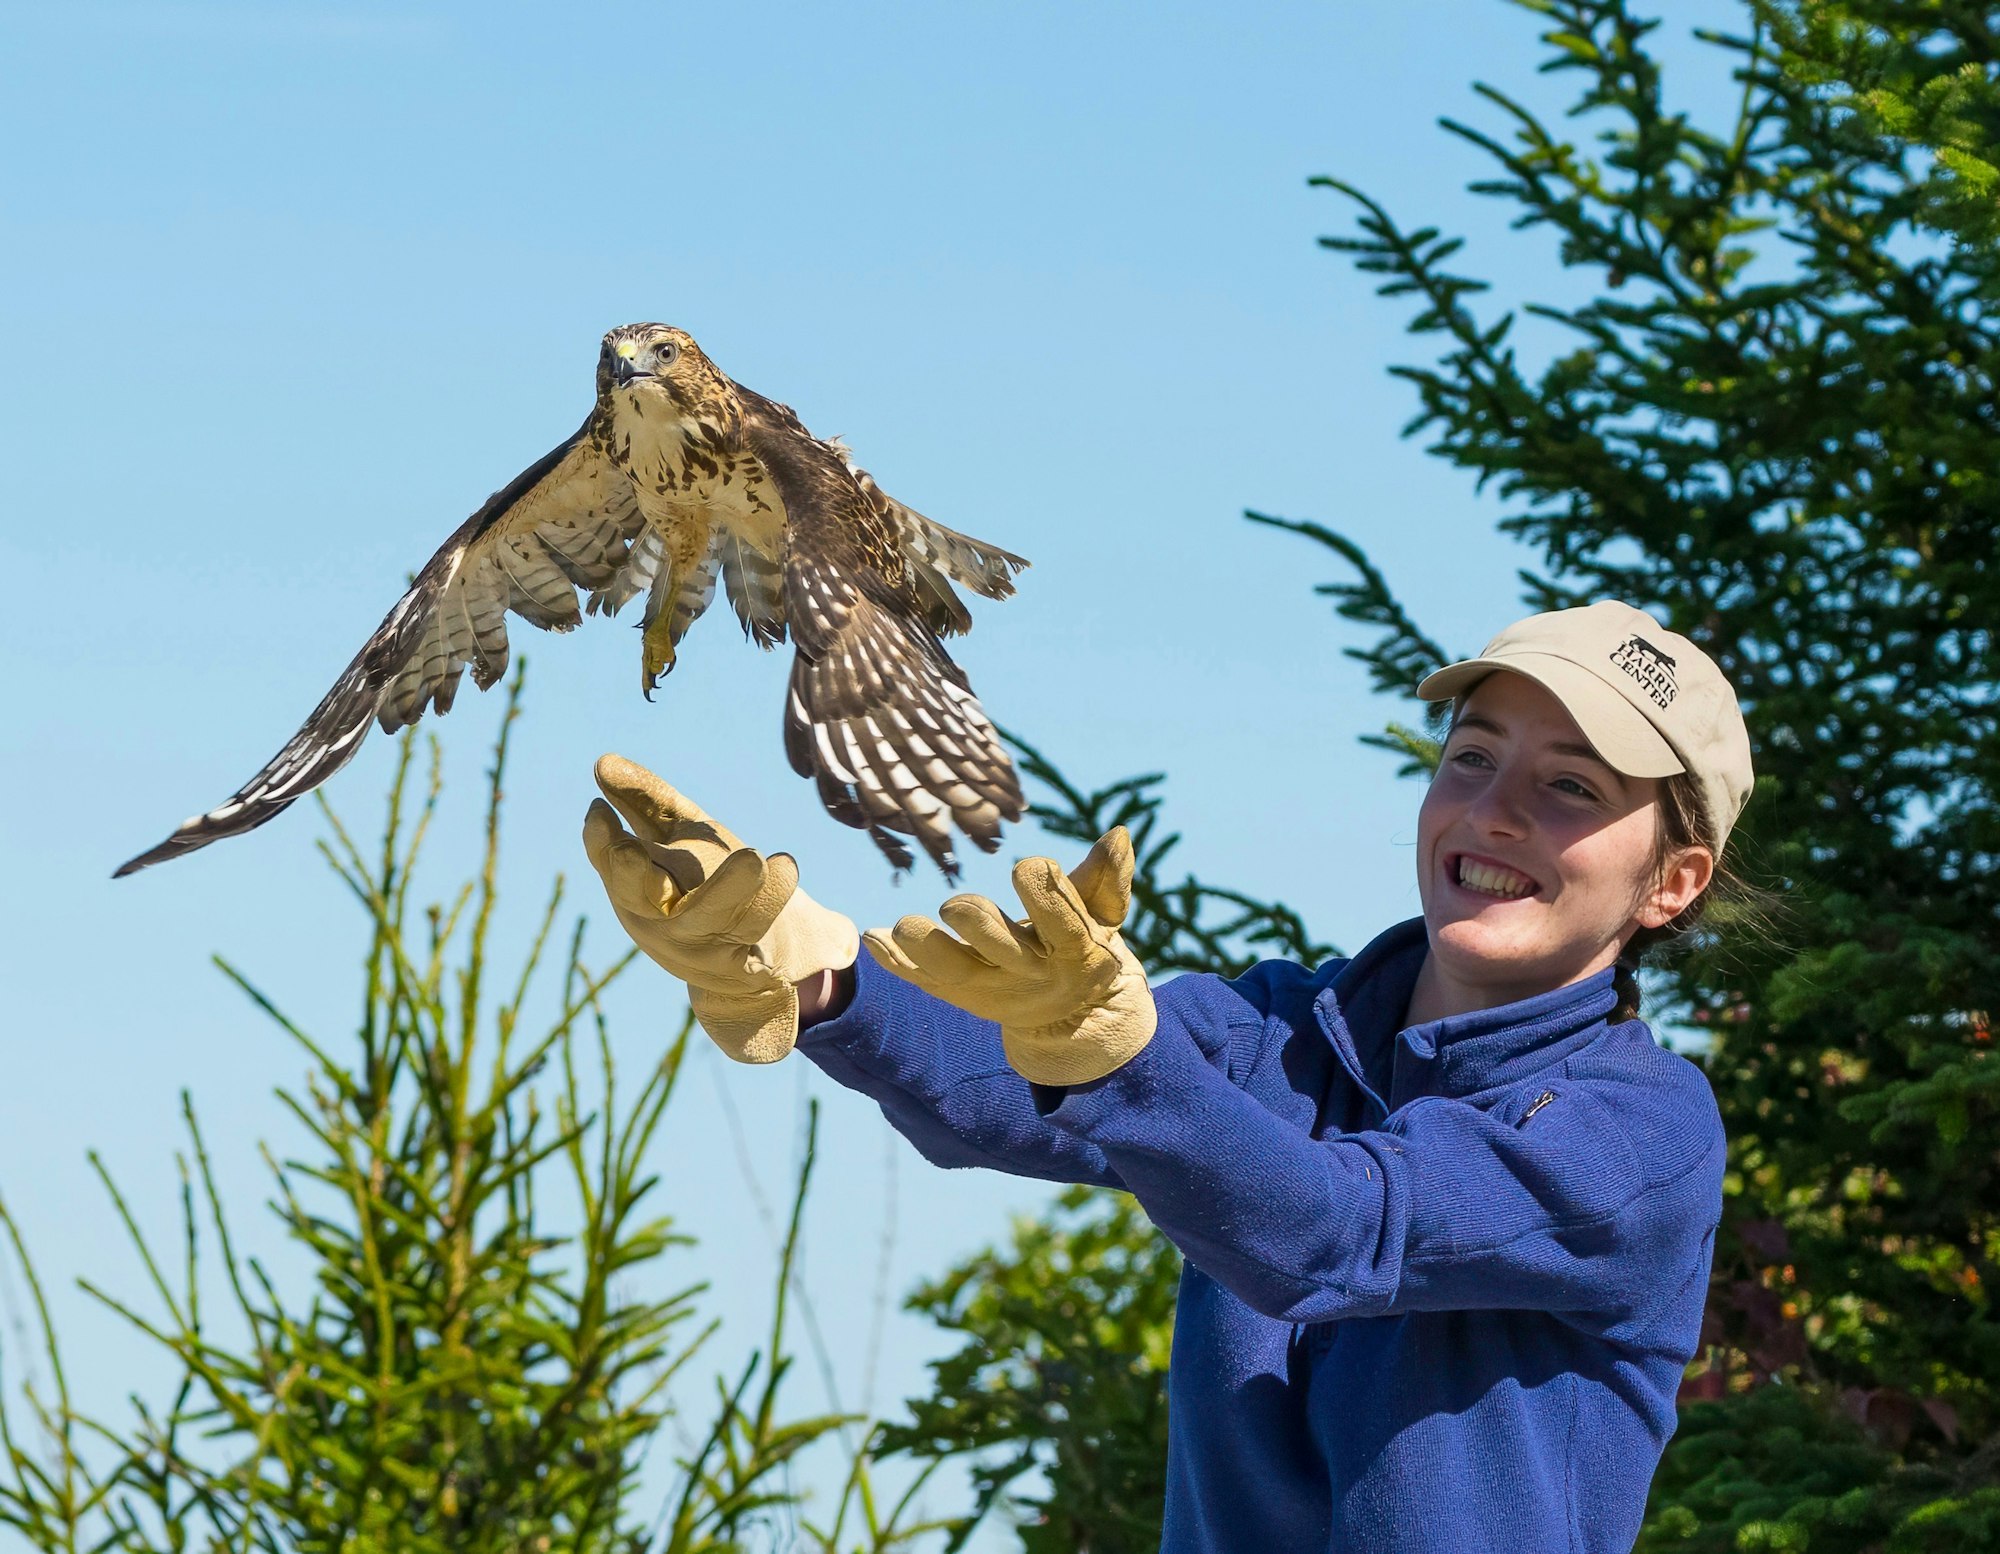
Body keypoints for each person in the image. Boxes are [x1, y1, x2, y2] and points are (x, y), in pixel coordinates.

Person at [580, 600, 1756, 1554]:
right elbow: (1012, 1082)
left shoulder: (1637, 1136)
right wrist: (819, 969)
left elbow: (1335, 1231)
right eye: (1469, 758)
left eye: (1570, 788)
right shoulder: (1285, 1031)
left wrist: (1121, 1059)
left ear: (1671, 883)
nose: (1490, 810)